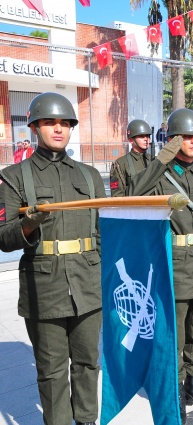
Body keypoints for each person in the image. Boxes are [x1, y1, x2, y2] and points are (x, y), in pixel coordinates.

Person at [0, 92, 106, 425]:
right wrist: (28, 224)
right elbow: (3, 237)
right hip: (44, 288)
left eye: (64, 123)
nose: (58, 129)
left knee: (88, 363)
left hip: (87, 283)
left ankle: (86, 419)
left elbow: (103, 231)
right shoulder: (14, 177)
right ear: (34, 127)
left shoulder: (89, 176)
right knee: (51, 370)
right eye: (49, 122)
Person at [128, 108, 193, 422]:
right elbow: (133, 193)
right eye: (187, 137)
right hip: (175, 268)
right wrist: (160, 160)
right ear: (174, 140)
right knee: (174, 337)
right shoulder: (160, 176)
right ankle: (174, 391)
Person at [110, 119, 152, 197]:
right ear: (131, 140)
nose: (146, 139)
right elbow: (117, 195)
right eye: (141, 136)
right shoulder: (121, 163)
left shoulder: (154, 160)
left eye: (148, 136)